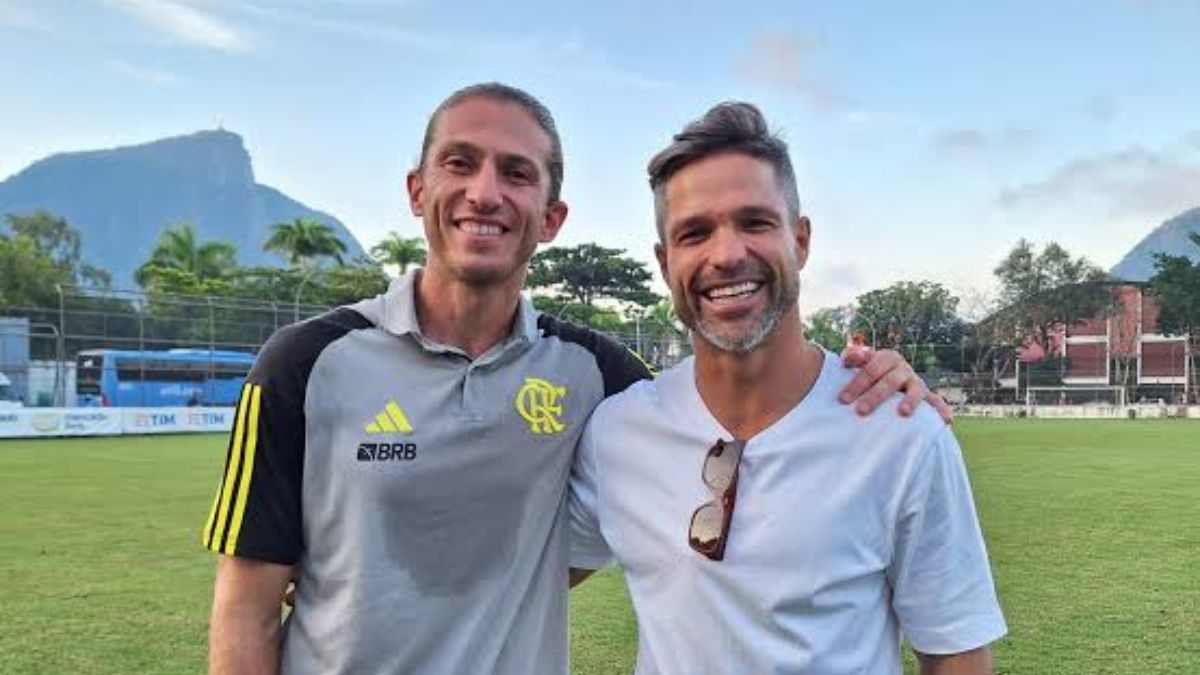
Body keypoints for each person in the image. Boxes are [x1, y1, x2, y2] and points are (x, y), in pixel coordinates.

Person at [201, 83, 946, 675]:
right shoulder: (305, 363)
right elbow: (245, 609)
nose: (486, 193)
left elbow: (715, 409)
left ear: (552, 216)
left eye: (517, 173)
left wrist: (886, 388)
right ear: (416, 191)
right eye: (459, 163)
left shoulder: (600, 377)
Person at [569, 102, 1006, 674]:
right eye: (694, 232)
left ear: (800, 240)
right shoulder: (618, 433)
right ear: (664, 260)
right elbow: (510, 585)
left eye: (755, 222)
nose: (726, 255)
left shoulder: (900, 431)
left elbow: (956, 656)